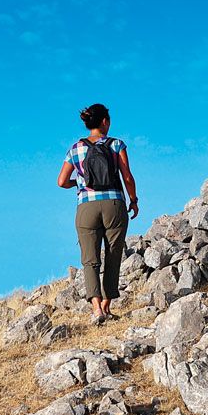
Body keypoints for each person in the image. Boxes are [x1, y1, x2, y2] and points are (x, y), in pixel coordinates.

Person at [57, 103, 139, 324]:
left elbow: (61, 181)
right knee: (113, 255)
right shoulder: (117, 144)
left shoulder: (75, 148)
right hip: (114, 204)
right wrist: (133, 200)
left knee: (90, 259)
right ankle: (106, 305)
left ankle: (96, 309)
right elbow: (127, 177)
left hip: (86, 207)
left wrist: (79, 183)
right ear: (105, 122)